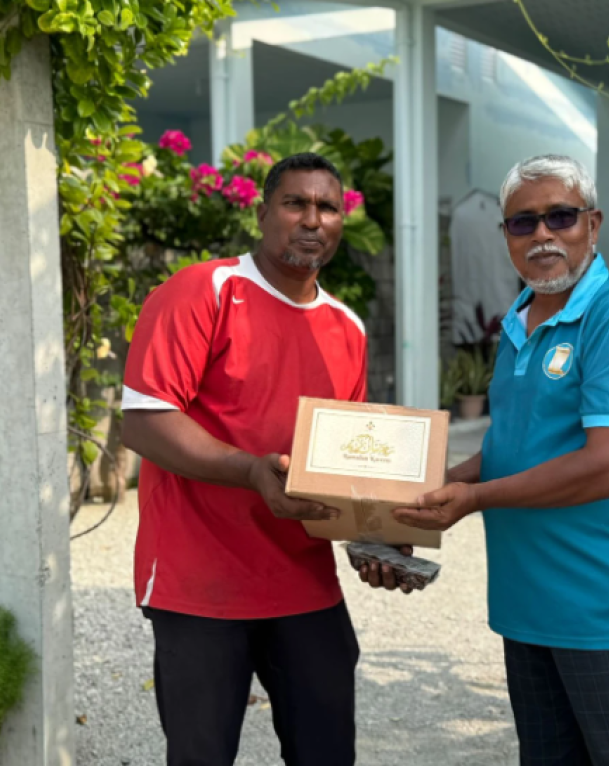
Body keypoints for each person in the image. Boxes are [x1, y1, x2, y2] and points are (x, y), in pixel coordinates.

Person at [393, 155, 609, 765]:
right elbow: (512, 446)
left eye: (561, 216)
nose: (543, 234)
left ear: (593, 224)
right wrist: (418, 496)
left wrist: (472, 500)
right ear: (506, 236)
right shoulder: (520, 320)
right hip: (525, 606)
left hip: (604, 606)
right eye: (523, 222)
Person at [120, 152, 407, 766]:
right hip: (199, 583)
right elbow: (144, 421)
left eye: (327, 207)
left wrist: (377, 534)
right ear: (263, 212)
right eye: (295, 203)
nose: (312, 219)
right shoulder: (204, 290)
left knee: (328, 752)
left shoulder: (347, 328)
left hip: (305, 582)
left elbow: (345, 463)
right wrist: (250, 470)